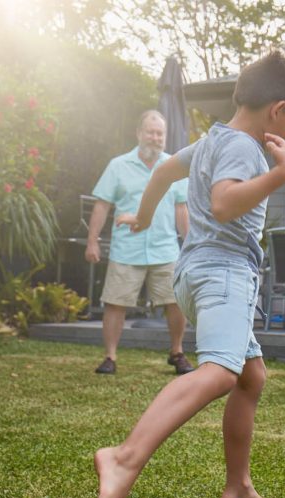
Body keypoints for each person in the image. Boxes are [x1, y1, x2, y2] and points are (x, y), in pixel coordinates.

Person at [93, 50, 285, 498]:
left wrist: (144, 216)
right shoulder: (244, 146)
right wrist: (281, 175)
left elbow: (161, 174)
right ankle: (123, 457)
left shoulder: (213, 139)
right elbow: (221, 204)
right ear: (277, 109)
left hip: (193, 272)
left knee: (250, 376)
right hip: (225, 274)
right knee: (219, 373)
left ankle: (237, 487)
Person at [86, 110, 192, 375]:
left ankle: (177, 352)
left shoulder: (174, 167)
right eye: (150, 132)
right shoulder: (118, 165)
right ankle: (110, 357)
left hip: (165, 247)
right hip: (126, 248)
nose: (155, 138)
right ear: (139, 133)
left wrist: (190, 245)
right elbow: (101, 206)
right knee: (115, 302)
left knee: (176, 301)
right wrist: (92, 242)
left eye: (160, 134)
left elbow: (182, 209)